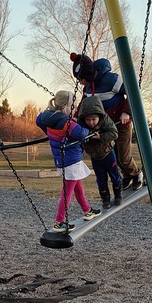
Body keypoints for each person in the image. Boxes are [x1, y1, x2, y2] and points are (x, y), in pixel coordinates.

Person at [70, 52, 143, 191]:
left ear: (88, 74)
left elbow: (133, 93)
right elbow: (84, 104)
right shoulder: (88, 88)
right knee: (113, 155)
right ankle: (127, 176)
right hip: (106, 127)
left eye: (81, 79)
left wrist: (126, 112)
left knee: (123, 157)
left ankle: (136, 174)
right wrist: (75, 117)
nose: (80, 82)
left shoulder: (112, 80)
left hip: (121, 124)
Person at [36, 90, 101, 231]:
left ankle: (87, 210)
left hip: (63, 159)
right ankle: (59, 221)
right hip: (71, 160)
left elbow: (38, 121)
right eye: (72, 105)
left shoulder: (46, 117)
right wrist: (88, 131)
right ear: (66, 106)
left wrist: (50, 133)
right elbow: (81, 133)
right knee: (67, 193)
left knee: (77, 187)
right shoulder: (67, 124)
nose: (74, 108)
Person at [77, 95, 123, 208]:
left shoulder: (105, 119)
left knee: (114, 175)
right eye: (88, 120)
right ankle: (105, 199)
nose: (91, 122)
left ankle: (118, 195)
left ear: (99, 116)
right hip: (95, 156)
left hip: (108, 152)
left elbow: (114, 133)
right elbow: (77, 136)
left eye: (94, 119)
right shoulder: (81, 124)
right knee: (101, 179)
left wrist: (100, 137)